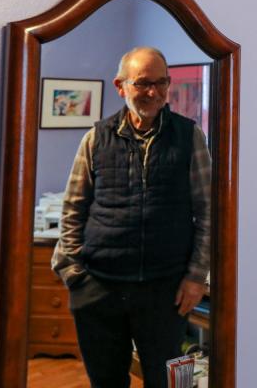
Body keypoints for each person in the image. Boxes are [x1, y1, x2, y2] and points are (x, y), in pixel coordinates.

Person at [52, 47, 211, 388]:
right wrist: (74, 273)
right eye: (142, 83)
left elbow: (207, 211)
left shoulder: (189, 136)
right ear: (120, 86)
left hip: (167, 291)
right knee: (106, 382)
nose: (154, 92)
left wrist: (196, 276)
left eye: (161, 83)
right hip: (98, 287)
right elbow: (73, 209)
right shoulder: (96, 138)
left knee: (170, 382)